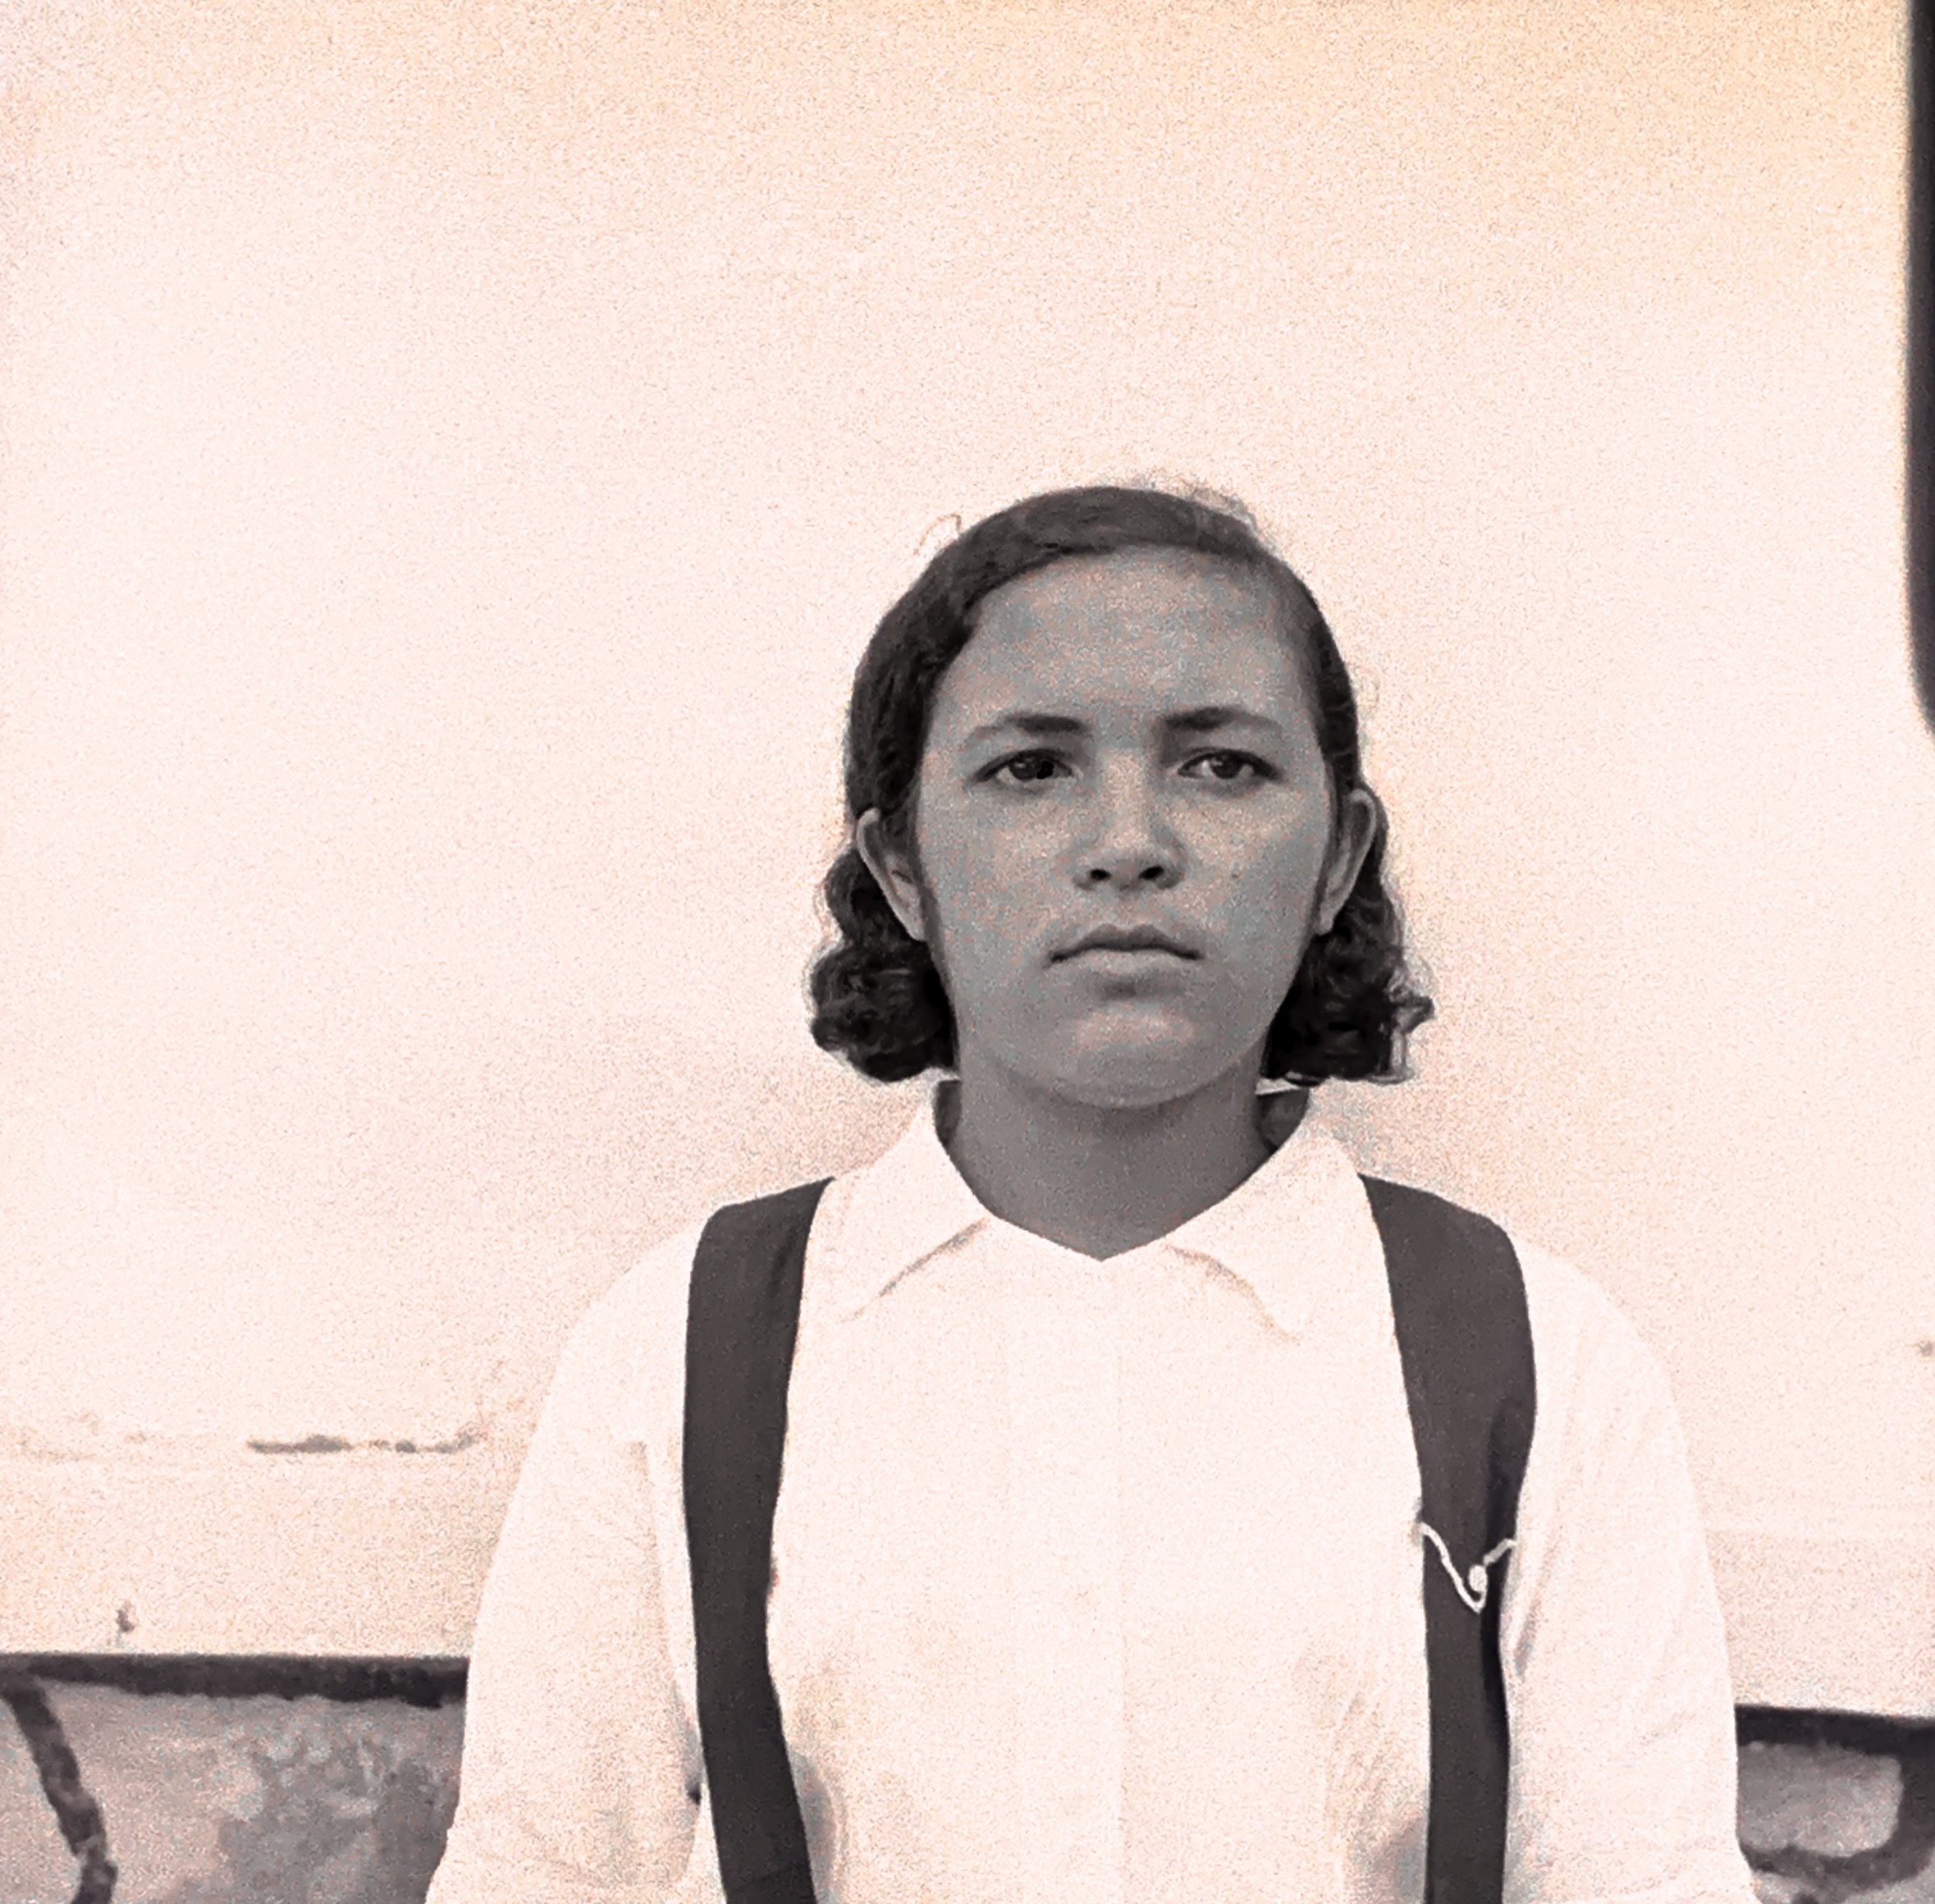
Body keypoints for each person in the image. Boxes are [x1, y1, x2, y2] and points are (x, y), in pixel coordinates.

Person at [427, 484, 1758, 1904]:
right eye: (1031, 768)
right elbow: (541, 1871)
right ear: (900, 868)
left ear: (1336, 858)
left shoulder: (1537, 1363)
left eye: (1222, 766)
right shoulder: (682, 1354)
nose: (1128, 840)